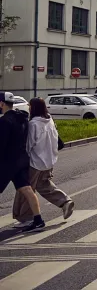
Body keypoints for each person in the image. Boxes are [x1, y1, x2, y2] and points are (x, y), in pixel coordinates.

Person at [13, 98, 74, 225]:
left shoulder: (34, 124)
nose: (28, 108)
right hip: (49, 161)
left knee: (25, 189)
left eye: (30, 106)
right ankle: (65, 202)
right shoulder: (49, 120)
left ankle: (26, 217)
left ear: (33, 108)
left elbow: (29, 145)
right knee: (44, 186)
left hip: (35, 162)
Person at [0, 92, 46, 232]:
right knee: (27, 189)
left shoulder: (4, 122)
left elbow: (1, 144)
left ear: (1, 104)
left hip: (6, 163)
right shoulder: (22, 118)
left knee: (26, 189)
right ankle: (38, 219)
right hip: (21, 160)